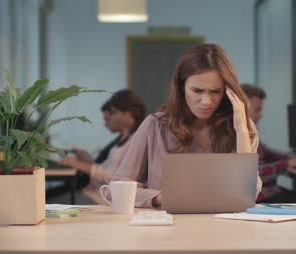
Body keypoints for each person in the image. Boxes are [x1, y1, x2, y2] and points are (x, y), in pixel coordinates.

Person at [107, 44, 262, 208]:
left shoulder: (242, 129)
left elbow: (248, 194)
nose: (206, 101)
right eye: (197, 91)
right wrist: (161, 198)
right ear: (181, 88)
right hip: (167, 227)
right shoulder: (155, 126)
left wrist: (242, 130)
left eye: (215, 91)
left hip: (224, 226)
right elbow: (116, 189)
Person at [240, 84, 296, 203]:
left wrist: (292, 158)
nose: (261, 115)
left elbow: (268, 153)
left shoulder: (250, 133)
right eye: (257, 110)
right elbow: (253, 175)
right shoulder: (235, 136)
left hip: (270, 192)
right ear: (241, 109)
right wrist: (286, 164)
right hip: (261, 198)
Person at [61, 89, 146, 188]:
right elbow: (108, 170)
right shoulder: (126, 138)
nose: (112, 118)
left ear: (129, 112)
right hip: (104, 191)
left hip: (109, 194)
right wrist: (87, 161)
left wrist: (79, 164)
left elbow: (116, 179)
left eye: (114, 112)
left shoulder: (137, 140)